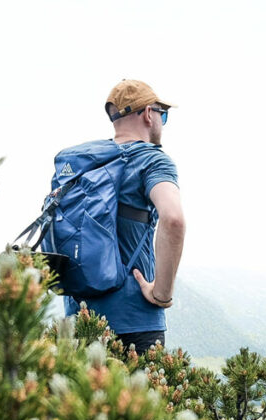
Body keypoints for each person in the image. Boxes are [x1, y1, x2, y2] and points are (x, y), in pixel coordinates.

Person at [62, 79, 186, 351]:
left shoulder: (85, 164)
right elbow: (173, 219)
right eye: (162, 114)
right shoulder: (152, 160)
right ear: (147, 114)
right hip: (134, 322)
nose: (162, 121)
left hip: (78, 323)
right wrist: (161, 294)